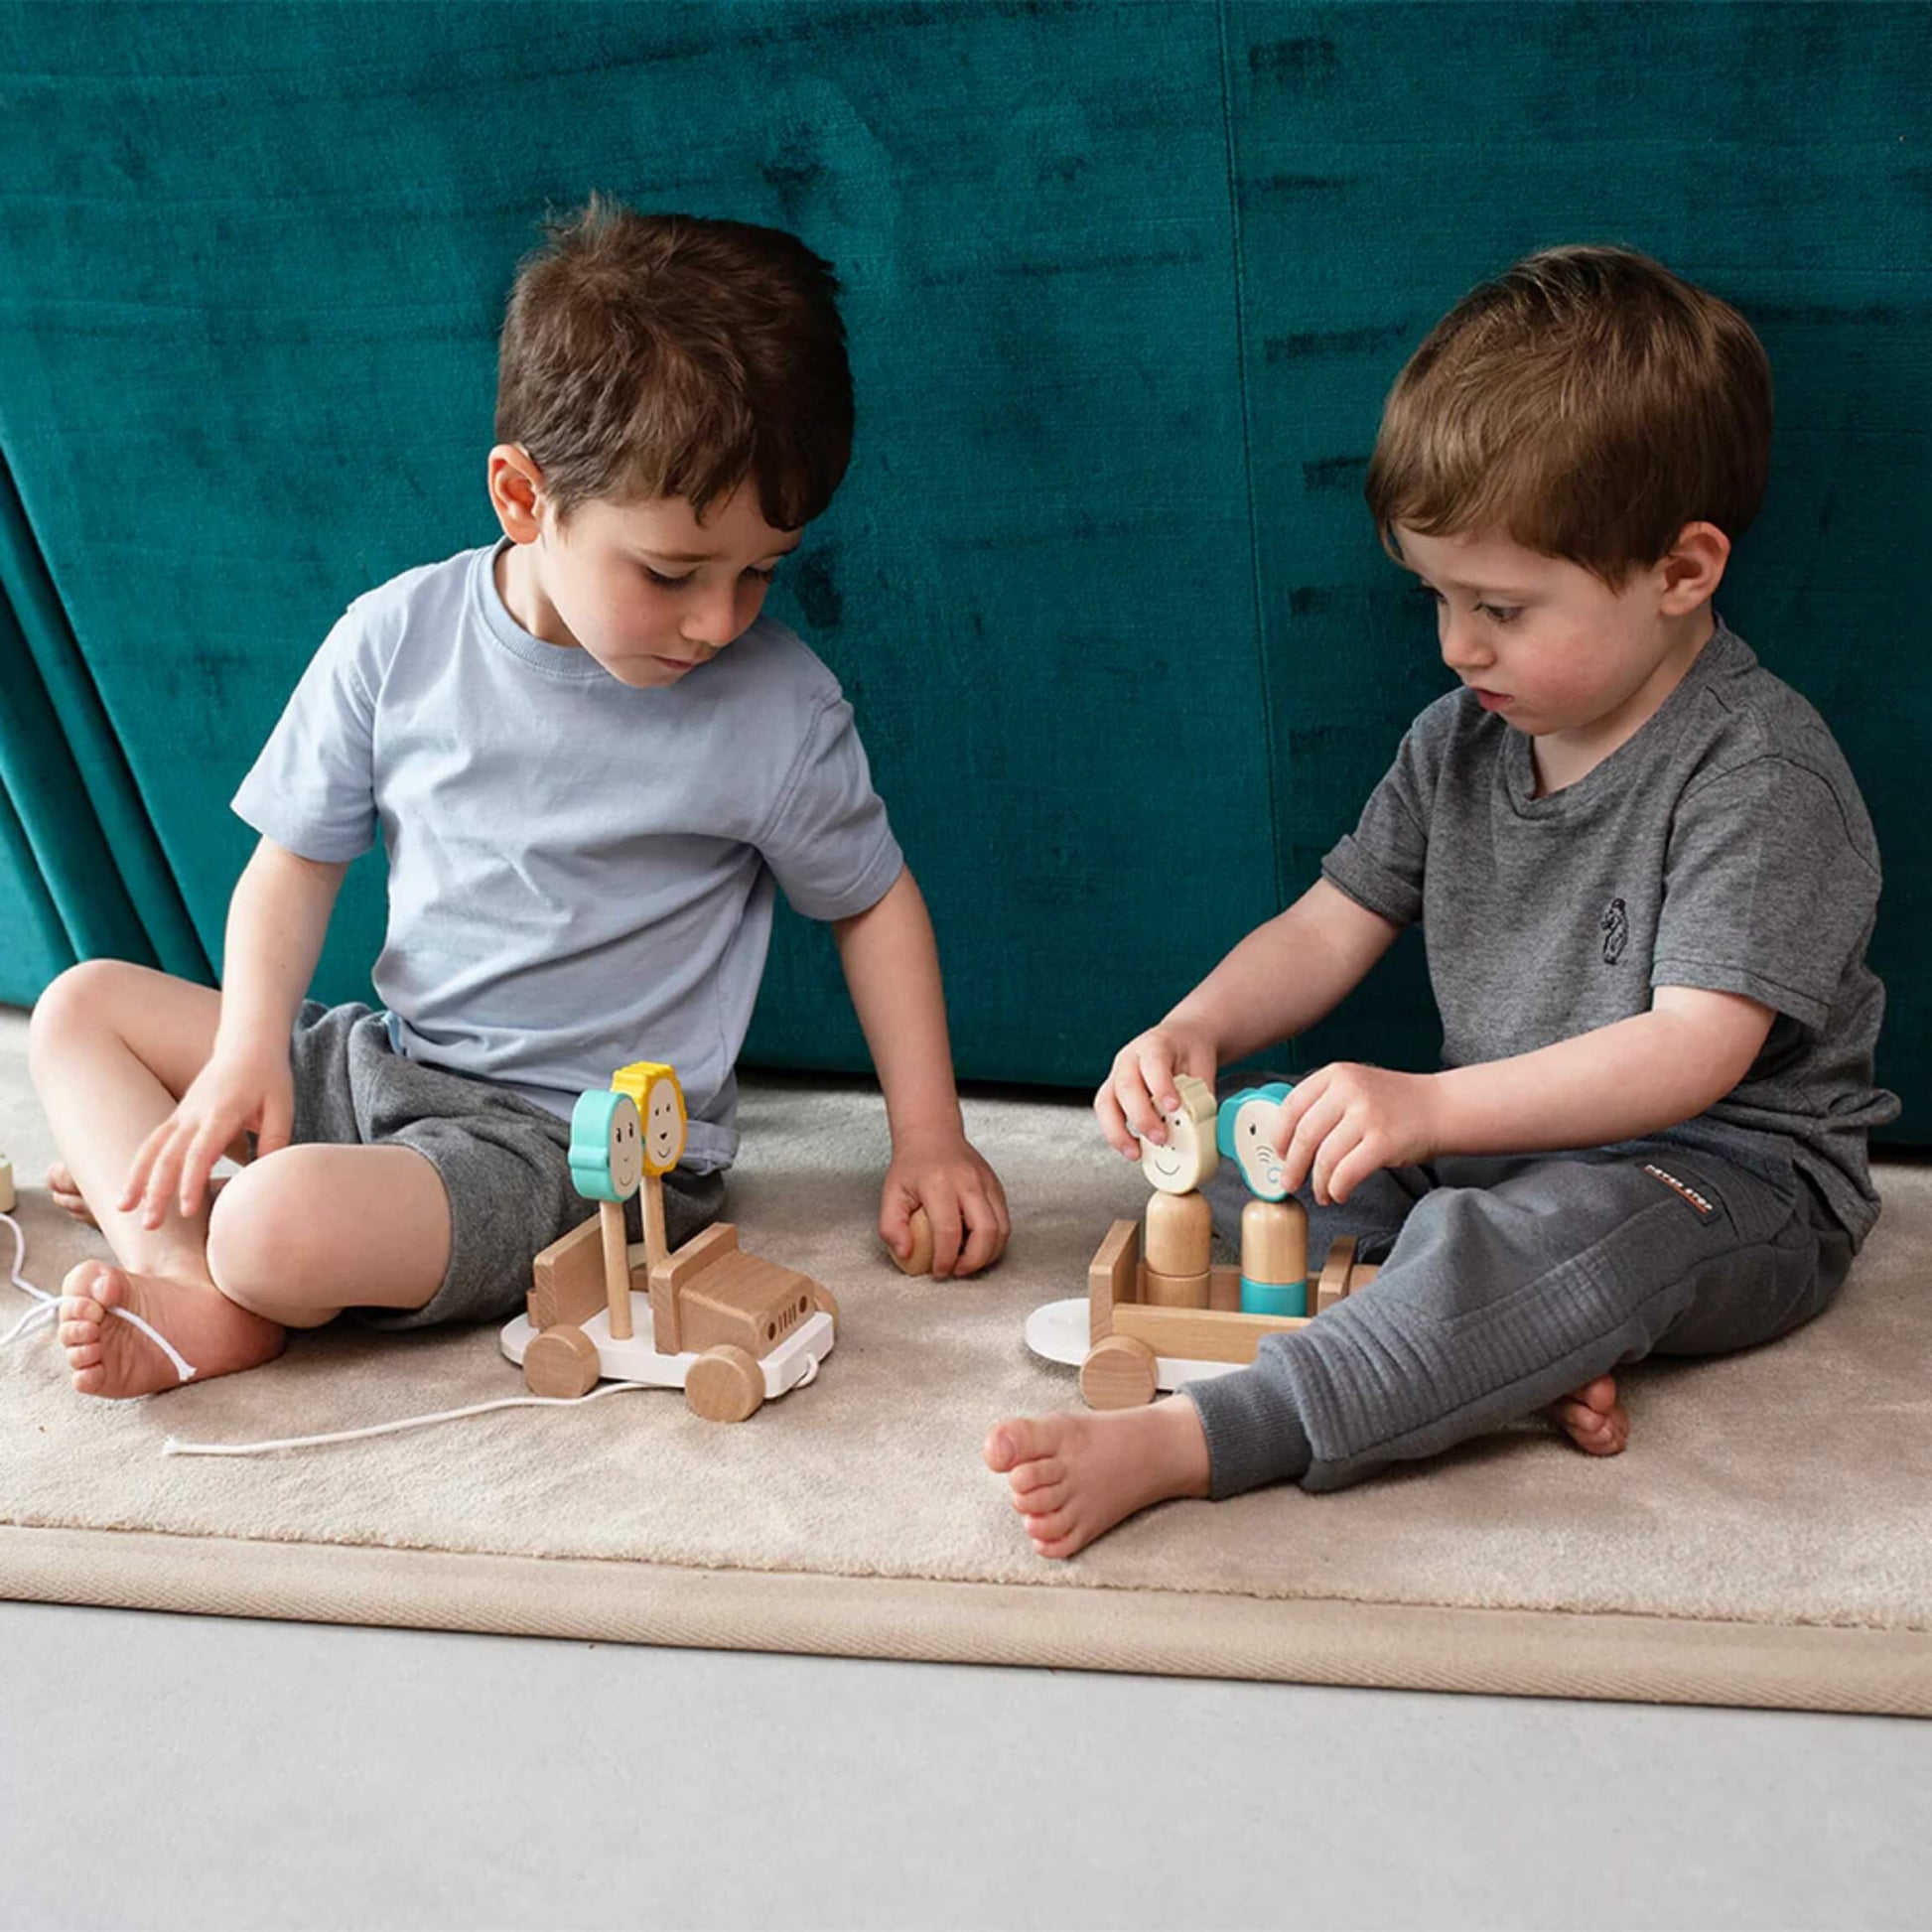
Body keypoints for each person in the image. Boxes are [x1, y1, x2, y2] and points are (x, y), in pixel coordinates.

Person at [987, 244, 1895, 1557]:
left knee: (1545, 1238)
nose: (1458, 644)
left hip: (1724, 1175)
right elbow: (1325, 921)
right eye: (1437, 598)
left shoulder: (1753, 773)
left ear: (1681, 571)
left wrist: (1428, 1102)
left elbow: (1693, 1051)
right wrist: (1198, 1028)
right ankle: (1495, 1355)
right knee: (1272, 1173)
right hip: (1492, 1142)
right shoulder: (1455, 740)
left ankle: (1207, 1438)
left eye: (1501, 607)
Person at [32, 198, 1008, 1399]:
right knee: (79, 1008)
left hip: (585, 1154)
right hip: (391, 1062)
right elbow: (292, 864)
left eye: (760, 571)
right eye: (669, 573)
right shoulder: (394, 640)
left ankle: (235, 1248)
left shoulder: (777, 711)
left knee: (272, 1226)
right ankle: (186, 1283)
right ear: (521, 496)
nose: (719, 619)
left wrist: (928, 1135)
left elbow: (871, 903)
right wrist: (247, 1051)